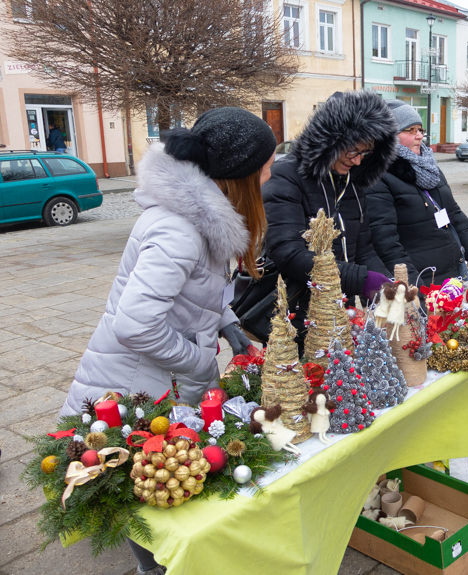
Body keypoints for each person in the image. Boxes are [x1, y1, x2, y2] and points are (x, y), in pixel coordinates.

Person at [56, 107, 276, 574]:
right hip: (134, 386)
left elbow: (200, 294)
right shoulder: (180, 229)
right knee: (148, 493)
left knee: (159, 487)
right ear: (237, 174)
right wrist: (198, 362)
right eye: (265, 162)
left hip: (157, 381)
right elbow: (135, 324)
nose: (271, 171)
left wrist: (230, 327)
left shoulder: (204, 219)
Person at [262, 90, 395, 353]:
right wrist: (363, 279)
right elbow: (288, 254)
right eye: (353, 150)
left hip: (341, 312)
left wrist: (385, 284)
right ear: (330, 141)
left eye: (365, 153)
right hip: (296, 316)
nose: (357, 160)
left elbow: (363, 246)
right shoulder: (286, 177)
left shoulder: (352, 182)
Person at [367, 100, 468, 286]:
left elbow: (457, 217)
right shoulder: (377, 177)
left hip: (455, 273)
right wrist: (416, 291)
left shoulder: (429, 167)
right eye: (410, 130)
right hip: (424, 281)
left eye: (420, 130)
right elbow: (386, 243)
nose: (419, 136)